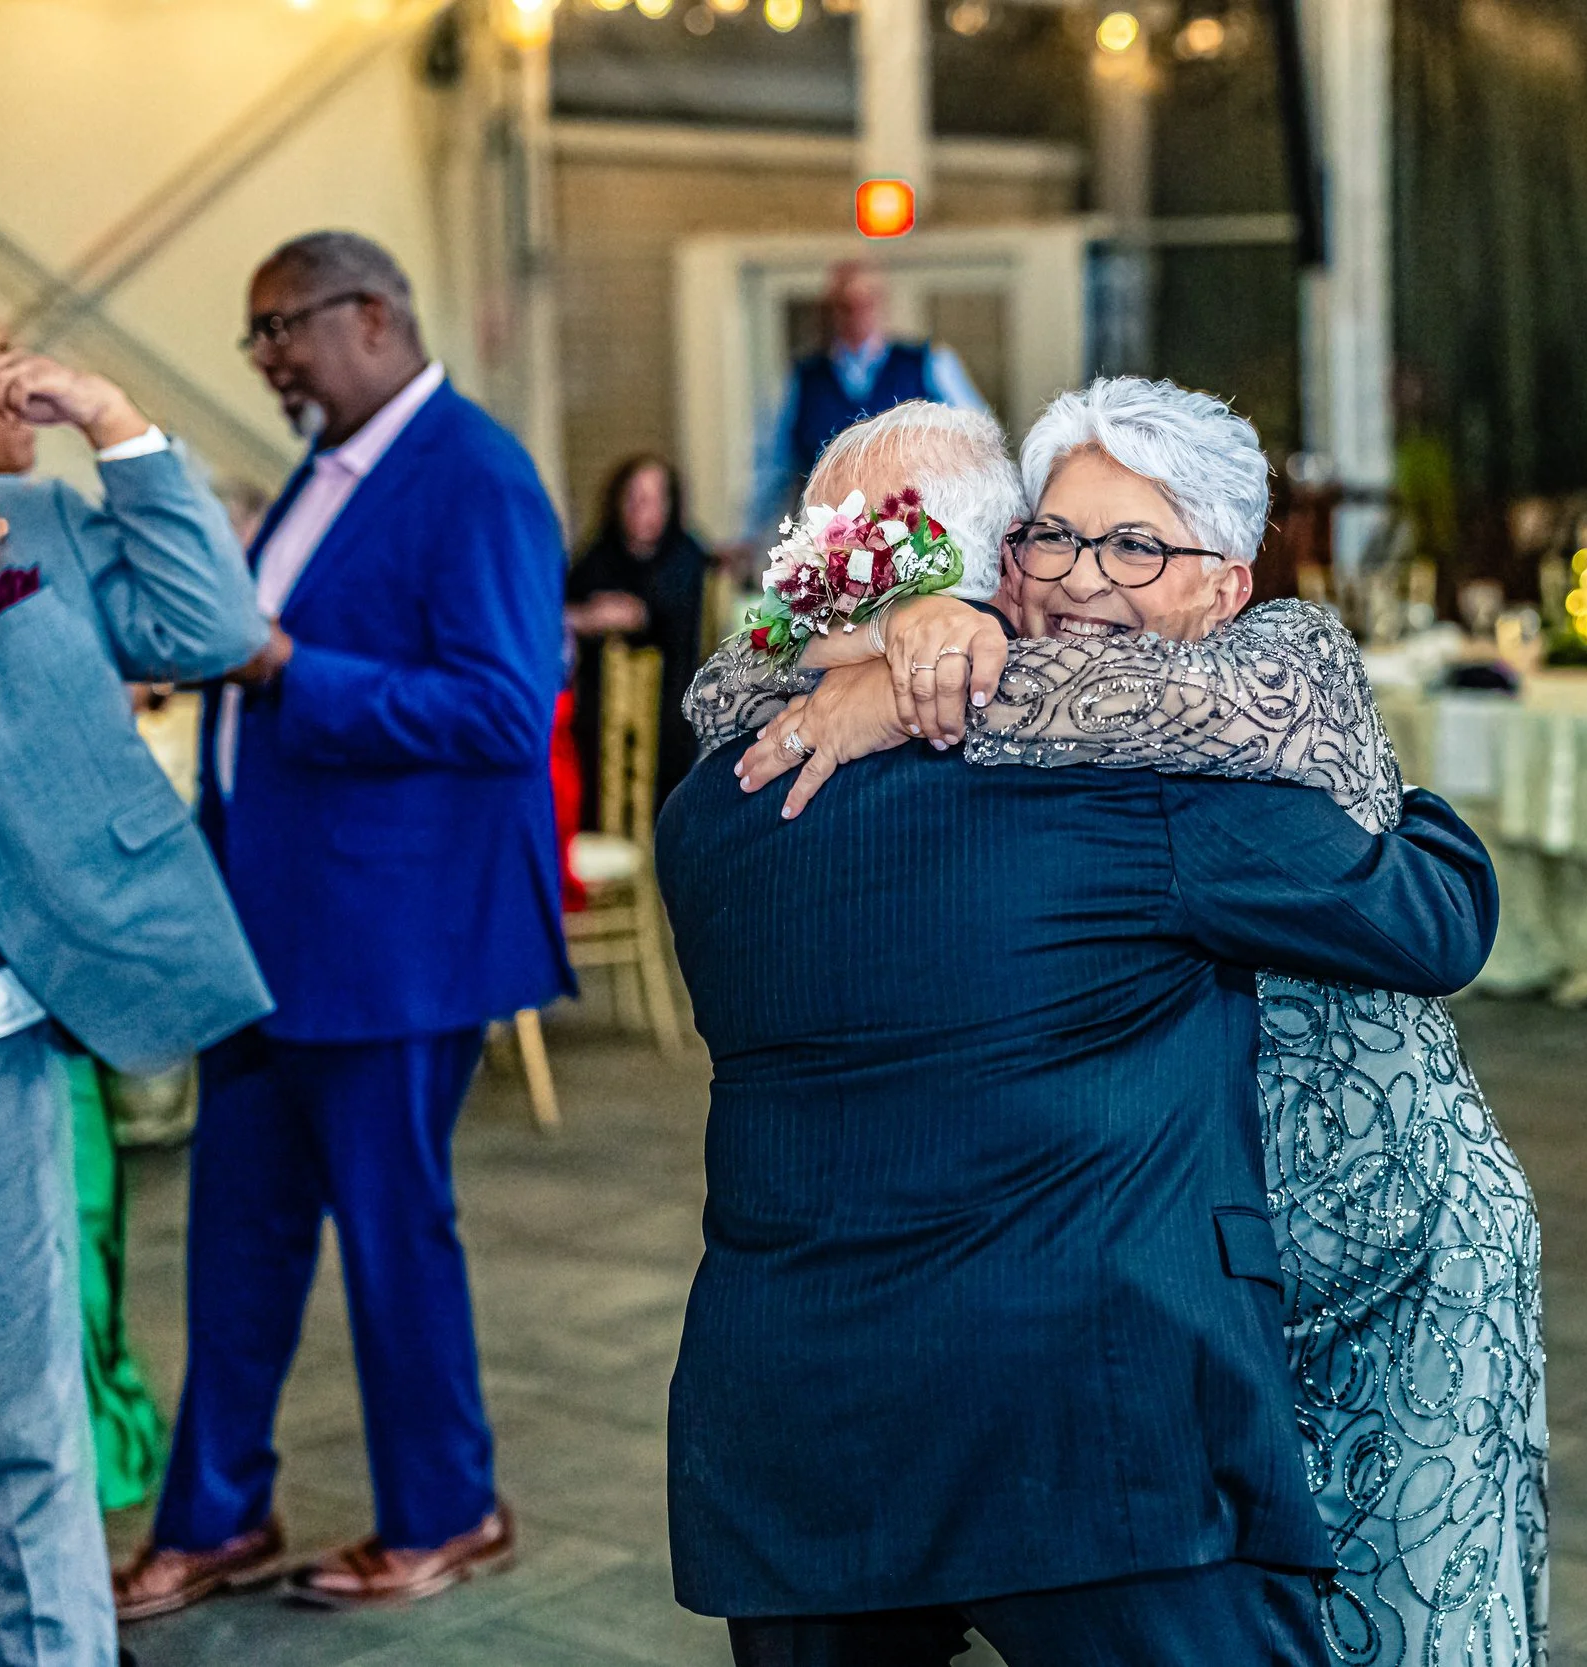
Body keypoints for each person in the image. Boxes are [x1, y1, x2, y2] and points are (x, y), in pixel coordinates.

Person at [692, 381, 1551, 1667]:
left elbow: (749, 689)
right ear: (1000, 569)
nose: (1083, 578)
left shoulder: (716, 800)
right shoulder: (1143, 790)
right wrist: (1375, 776)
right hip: (1099, 1418)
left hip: (799, 1419)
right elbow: (1435, 918)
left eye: (1128, 545)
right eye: (1057, 541)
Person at [116, 231, 572, 1619]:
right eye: (255, 336)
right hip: (266, 929)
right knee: (235, 1241)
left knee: (391, 1239)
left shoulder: (473, 475)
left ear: (371, 314)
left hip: (393, 935)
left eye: (280, 330)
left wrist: (282, 665)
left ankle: (449, 1507)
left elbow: (500, 710)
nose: (264, 360)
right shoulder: (322, 475)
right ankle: (217, 1516)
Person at [0, 281, 273, 1667]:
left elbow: (209, 623)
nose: (15, 368)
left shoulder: (34, 518)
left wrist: (112, 420)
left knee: (17, 1459)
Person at [740, 261, 990, 557]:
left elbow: (979, 440)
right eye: (847, 305)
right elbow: (772, 466)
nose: (857, 314)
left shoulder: (929, 363)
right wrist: (747, 537)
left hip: (915, 539)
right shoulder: (802, 380)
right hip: (829, 544)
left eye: (866, 302)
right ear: (832, 310)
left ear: (882, 303)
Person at [567, 452, 710, 803]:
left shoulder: (685, 554)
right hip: (598, 716)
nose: (641, 509)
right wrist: (590, 617)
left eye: (652, 498)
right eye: (633, 498)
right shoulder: (601, 554)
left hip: (668, 710)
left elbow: (656, 612)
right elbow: (568, 605)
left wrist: (621, 615)